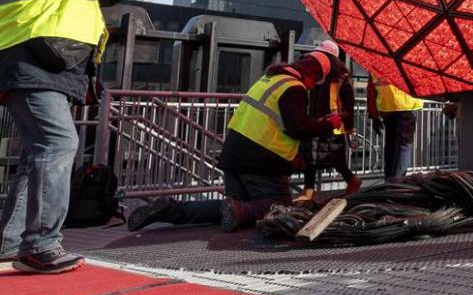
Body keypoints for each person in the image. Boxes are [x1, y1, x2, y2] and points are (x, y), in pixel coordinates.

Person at [0, 0, 160, 274]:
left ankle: (11, 246)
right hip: (32, 64)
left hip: (44, 66)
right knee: (58, 143)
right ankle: (40, 246)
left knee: (39, 155)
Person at [127, 50, 343, 233]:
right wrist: (328, 124)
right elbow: (298, 128)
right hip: (261, 161)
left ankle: (171, 210)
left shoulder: (270, 79)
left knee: (228, 209)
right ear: (312, 74)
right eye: (315, 81)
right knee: (281, 208)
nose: (313, 86)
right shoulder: (294, 88)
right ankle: (240, 212)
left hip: (234, 154)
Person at [300, 41, 360, 200]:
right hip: (318, 122)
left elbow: (348, 103)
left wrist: (348, 127)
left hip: (332, 124)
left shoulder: (340, 78)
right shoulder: (320, 76)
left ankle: (350, 181)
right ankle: (309, 191)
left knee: (332, 157)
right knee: (312, 158)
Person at [367, 71, 424, 184]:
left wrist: (373, 115)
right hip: (407, 105)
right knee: (404, 145)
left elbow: (371, 91)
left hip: (387, 107)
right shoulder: (406, 59)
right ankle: (396, 183)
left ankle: (389, 181)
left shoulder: (374, 62)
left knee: (391, 145)